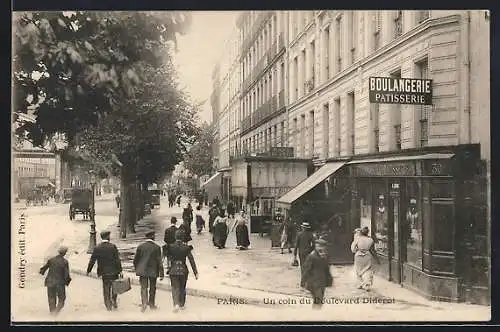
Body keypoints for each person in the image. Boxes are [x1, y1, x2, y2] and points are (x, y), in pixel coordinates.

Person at [86, 230, 123, 311]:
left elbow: (92, 260)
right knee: (114, 287)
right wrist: (120, 270)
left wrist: (88, 270)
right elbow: (117, 260)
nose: (110, 237)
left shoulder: (97, 247)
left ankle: (108, 305)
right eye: (109, 236)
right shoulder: (113, 246)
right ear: (107, 237)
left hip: (104, 272)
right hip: (114, 271)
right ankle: (114, 300)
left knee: (106, 289)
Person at [167, 229, 199, 312]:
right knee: (182, 287)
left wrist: (168, 268)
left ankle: (176, 304)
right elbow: (191, 260)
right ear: (182, 237)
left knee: (174, 287)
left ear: (175, 237)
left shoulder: (170, 247)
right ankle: (182, 304)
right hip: (183, 270)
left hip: (173, 269)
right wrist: (195, 272)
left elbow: (168, 259)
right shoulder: (186, 247)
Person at [133, 231, 164, 312]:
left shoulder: (140, 246)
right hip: (153, 270)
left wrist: (137, 268)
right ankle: (151, 304)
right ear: (153, 237)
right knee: (152, 288)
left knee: (143, 287)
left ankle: (144, 303)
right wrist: (161, 273)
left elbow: (136, 260)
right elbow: (159, 261)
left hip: (142, 270)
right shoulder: (157, 247)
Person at [39, 246, 72, 315]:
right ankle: (56, 312)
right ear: (65, 253)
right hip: (60, 283)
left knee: (51, 297)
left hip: (50, 282)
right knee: (62, 299)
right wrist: (67, 281)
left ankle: (52, 312)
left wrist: (42, 272)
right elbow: (66, 274)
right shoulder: (65, 262)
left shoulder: (51, 260)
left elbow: (43, 269)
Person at [302, 238, 333, 309]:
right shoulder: (312, 256)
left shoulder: (325, 255)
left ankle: (316, 313)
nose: (322, 248)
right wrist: (303, 282)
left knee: (319, 300)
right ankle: (316, 315)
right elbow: (306, 269)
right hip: (314, 282)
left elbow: (326, 269)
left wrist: (329, 279)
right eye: (320, 246)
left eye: (323, 246)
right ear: (316, 246)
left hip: (322, 281)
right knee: (318, 299)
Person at [350, 226, 380, 291]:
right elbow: (372, 250)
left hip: (358, 255)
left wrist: (357, 250)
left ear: (361, 233)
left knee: (358, 269)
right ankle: (367, 285)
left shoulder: (357, 239)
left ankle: (360, 283)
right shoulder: (370, 240)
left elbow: (353, 249)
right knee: (368, 270)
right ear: (367, 233)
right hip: (367, 255)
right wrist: (377, 259)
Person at [293, 222, 315, 288]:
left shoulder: (299, 234)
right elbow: (314, 244)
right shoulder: (310, 235)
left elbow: (296, 245)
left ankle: (302, 283)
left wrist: (295, 254)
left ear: (303, 228)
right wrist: (311, 249)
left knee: (303, 267)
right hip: (308, 252)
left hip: (301, 253)